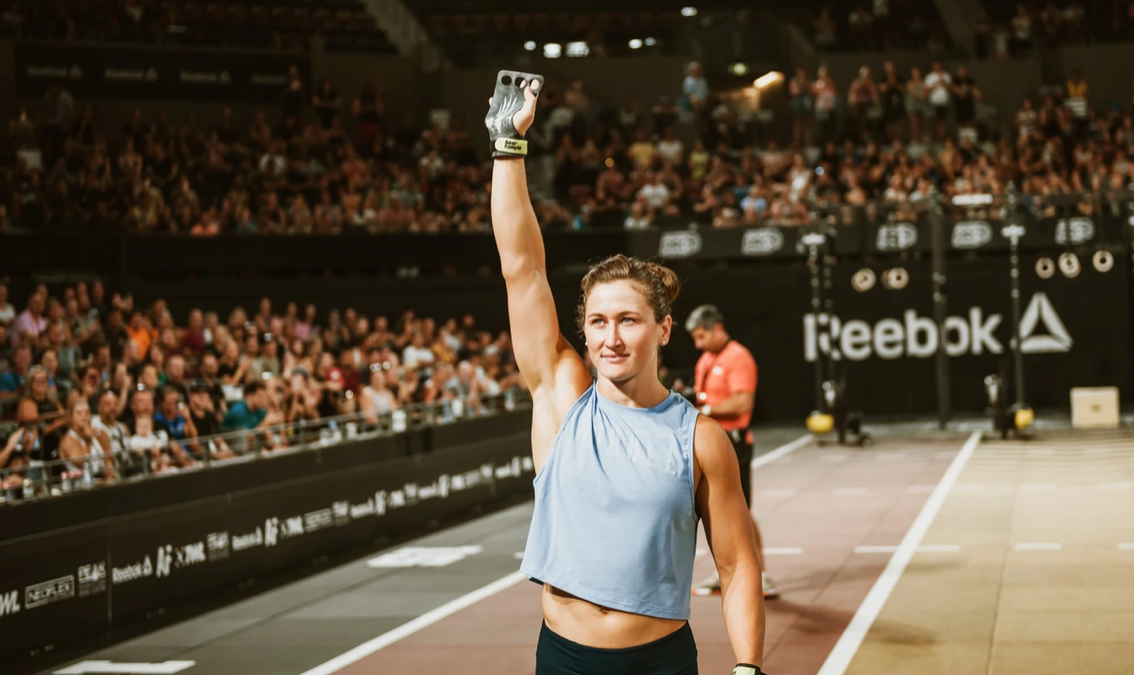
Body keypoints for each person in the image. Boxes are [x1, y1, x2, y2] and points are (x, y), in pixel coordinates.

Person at [486, 76, 766, 675]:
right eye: (598, 321)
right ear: (584, 331)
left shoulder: (701, 439)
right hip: (563, 659)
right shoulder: (561, 397)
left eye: (629, 320)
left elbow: (738, 565)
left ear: (663, 330)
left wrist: (748, 666)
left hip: (661, 663)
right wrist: (508, 148)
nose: (611, 337)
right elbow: (521, 269)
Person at [683, 305, 779, 600]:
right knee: (715, 512)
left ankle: (762, 575)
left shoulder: (738, 357)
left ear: (718, 329)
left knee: (740, 510)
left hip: (734, 442)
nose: (697, 344)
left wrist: (706, 409)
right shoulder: (706, 359)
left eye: (701, 336)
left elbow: (742, 403)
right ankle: (724, 571)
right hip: (709, 443)